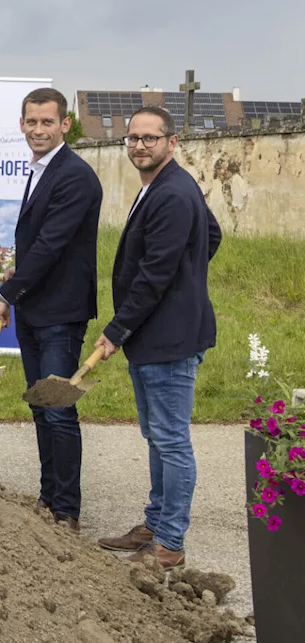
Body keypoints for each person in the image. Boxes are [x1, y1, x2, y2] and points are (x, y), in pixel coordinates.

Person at [95, 106, 221, 569]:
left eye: (150, 138)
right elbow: (213, 233)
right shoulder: (163, 186)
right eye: (133, 138)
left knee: (170, 439)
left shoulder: (171, 193)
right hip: (155, 334)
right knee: (157, 435)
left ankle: (169, 543)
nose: (140, 145)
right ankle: (155, 522)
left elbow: (153, 276)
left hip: (168, 339)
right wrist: (190, 276)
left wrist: (115, 330)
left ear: (172, 142)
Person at [0, 88, 103, 532]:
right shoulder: (39, 170)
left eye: (47, 122)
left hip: (60, 312)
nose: (38, 129)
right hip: (37, 310)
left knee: (58, 409)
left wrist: (6, 295)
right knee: (40, 406)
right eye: (31, 122)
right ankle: (48, 499)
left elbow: (51, 244)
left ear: (65, 124)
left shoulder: (74, 176)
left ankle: (67, 512)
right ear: (21, 124)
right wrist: (19, 297)